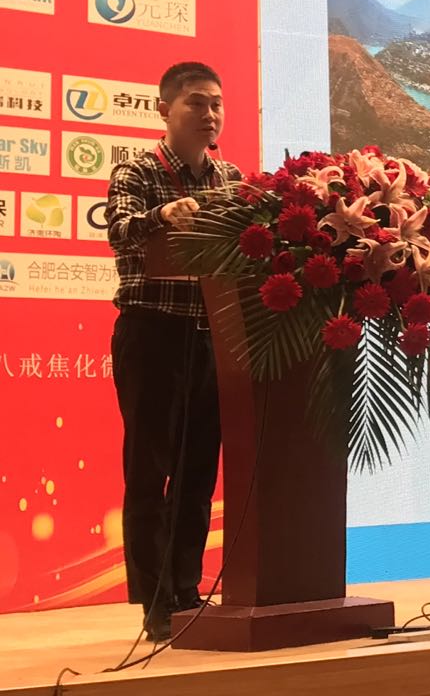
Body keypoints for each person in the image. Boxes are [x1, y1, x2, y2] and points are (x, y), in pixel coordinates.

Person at [105, 62, 240, 641]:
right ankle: (155, 600)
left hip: (212, 336)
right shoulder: (136, 170)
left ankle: (187, 588)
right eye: (196, 103)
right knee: (149, 468)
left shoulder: (229, 178)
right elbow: (118, 231)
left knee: (197, 472)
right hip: (152, 334)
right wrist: (161, 215)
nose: (209, 115)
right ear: (164, 109)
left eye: (216, 104)